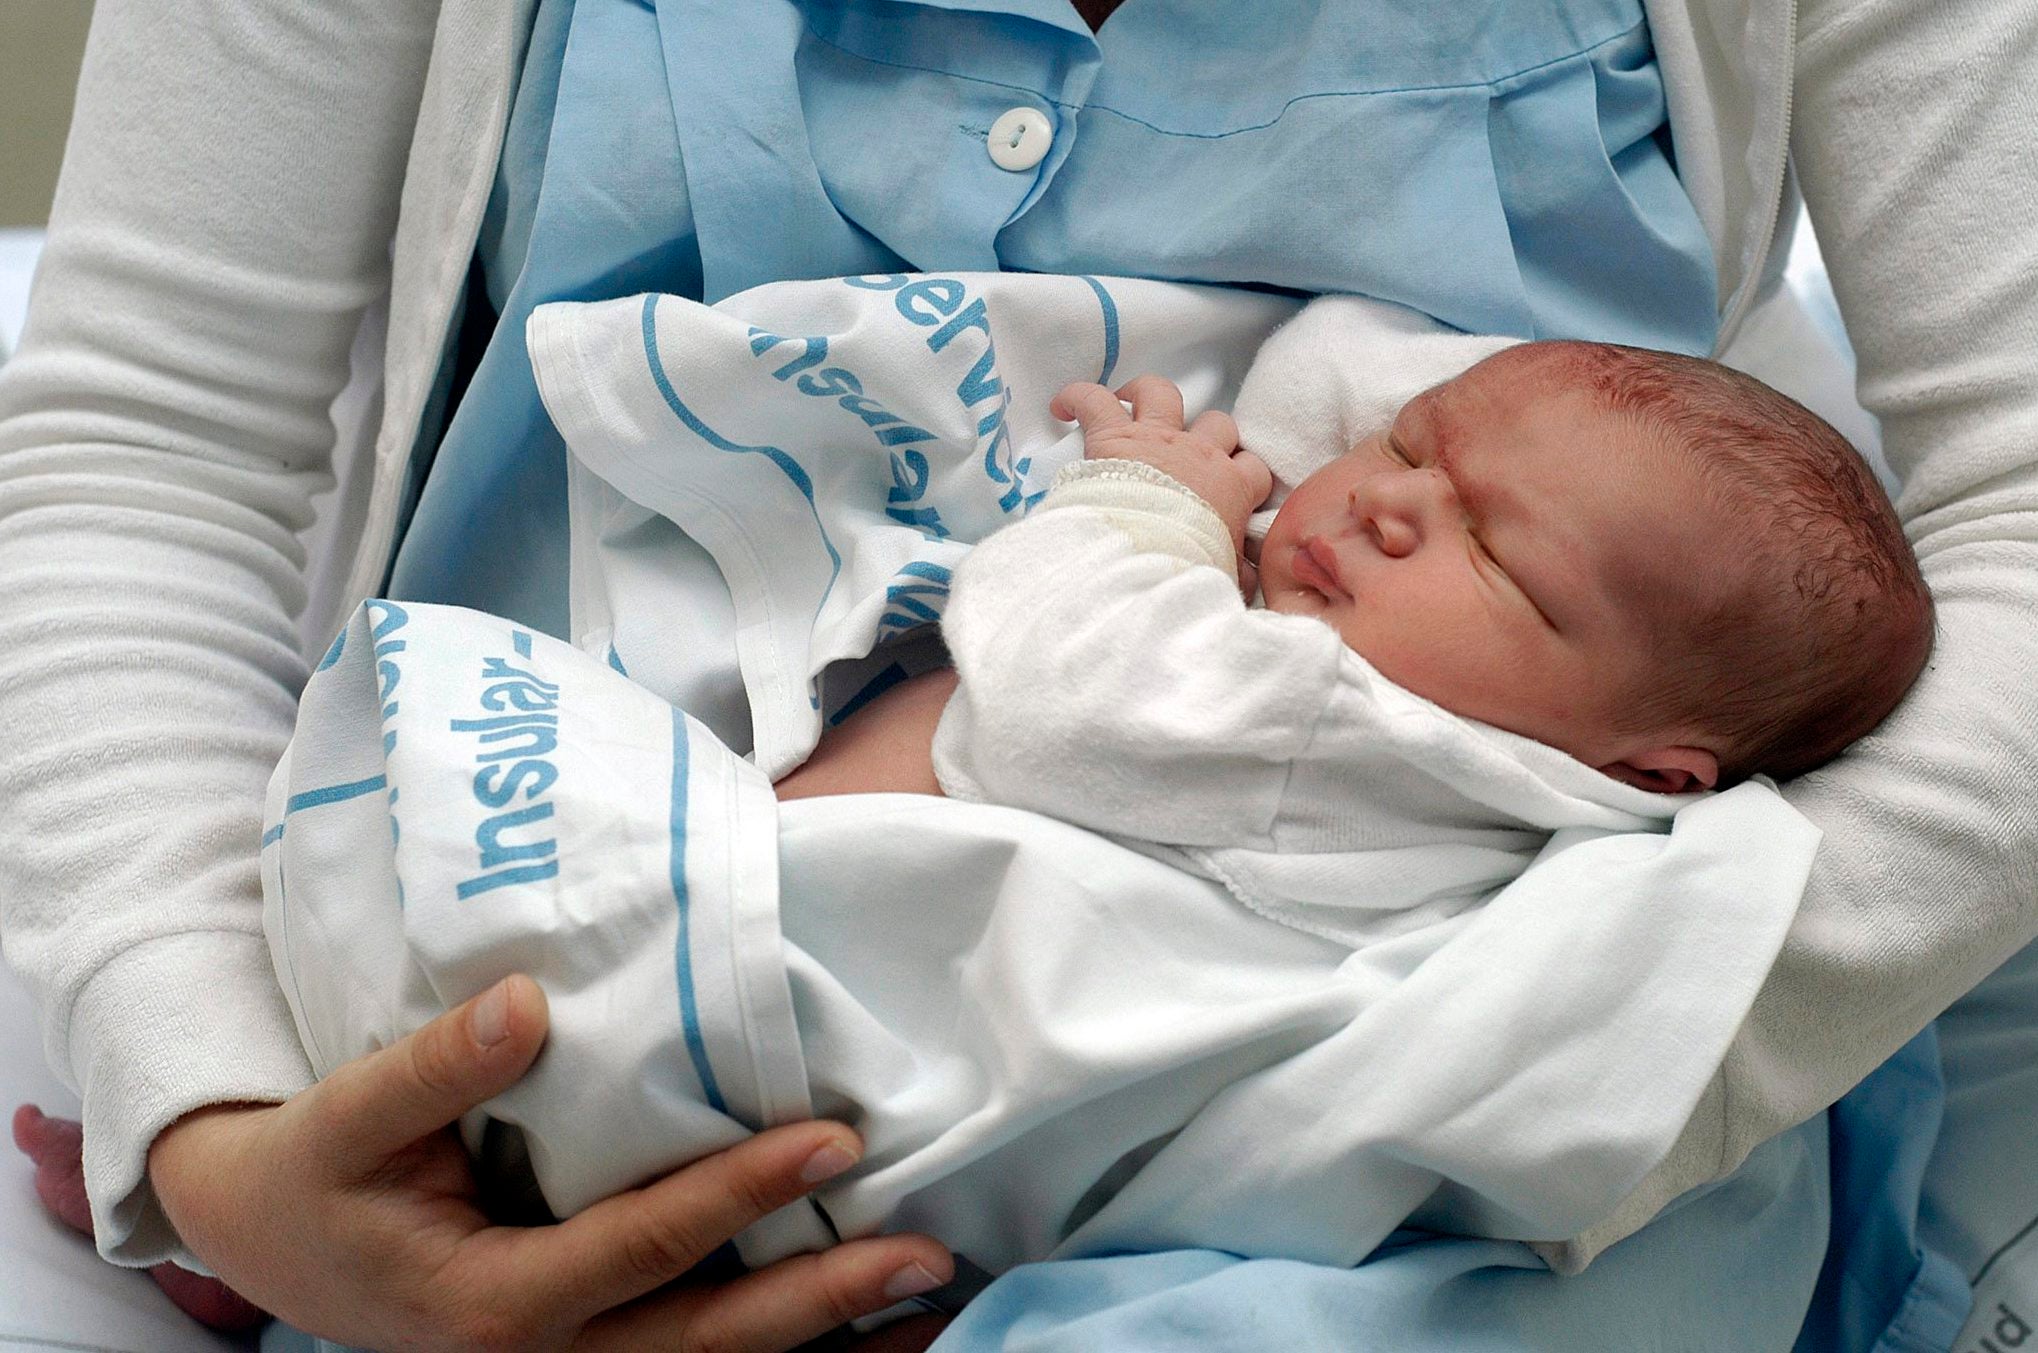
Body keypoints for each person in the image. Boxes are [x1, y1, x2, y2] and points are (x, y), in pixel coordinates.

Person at [0, 0, 2031, 1349]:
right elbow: (145, 440)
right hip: (634, 955)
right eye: (1408, 460)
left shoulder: (1462, 809)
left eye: (1493, 545)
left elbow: (2012, 502)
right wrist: (225, 1122)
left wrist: (1583, 1049)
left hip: (1435, 1103)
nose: (1388, 501)